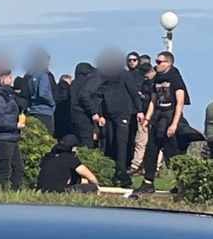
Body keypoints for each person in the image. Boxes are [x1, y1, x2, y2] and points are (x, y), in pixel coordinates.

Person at [79, 49, 141, 187]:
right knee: (111, 142)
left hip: (123, 113)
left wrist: (140, 110)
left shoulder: (124, 74)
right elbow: (98, 96)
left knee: (121, 142)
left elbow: (133, 92)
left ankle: (122, 174)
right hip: (108, 114)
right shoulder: (103, 76)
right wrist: (98, 113)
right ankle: (113, 172)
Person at [135, 51, 188, 192]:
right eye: (156, 61)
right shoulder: (157, 79)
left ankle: (181, 183)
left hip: (169, 118)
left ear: (169, 63)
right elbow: (153, 100)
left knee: (172, 154)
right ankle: (148, 182)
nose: (156, 64)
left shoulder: (175, 79)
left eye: (159, 62)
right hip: (157, 118)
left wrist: (174, 124)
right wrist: (147, 118)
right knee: (151, 151)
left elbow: (180, 103)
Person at [0, 69, 27, 191]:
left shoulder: (8, 95)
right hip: (2, 137)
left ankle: (16, 191)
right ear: (4, 79)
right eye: (10, 78)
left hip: (10, 136)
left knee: (18, 168)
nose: (11, 81)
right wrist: (15, 125)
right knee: (4, 169)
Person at [22, 49, 57, 124]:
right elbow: (44, 92)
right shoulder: (43, 75)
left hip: (32, 109)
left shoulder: (30, 75)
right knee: (47, 130)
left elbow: (26, 92)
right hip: (45, 110)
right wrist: (52, 103)